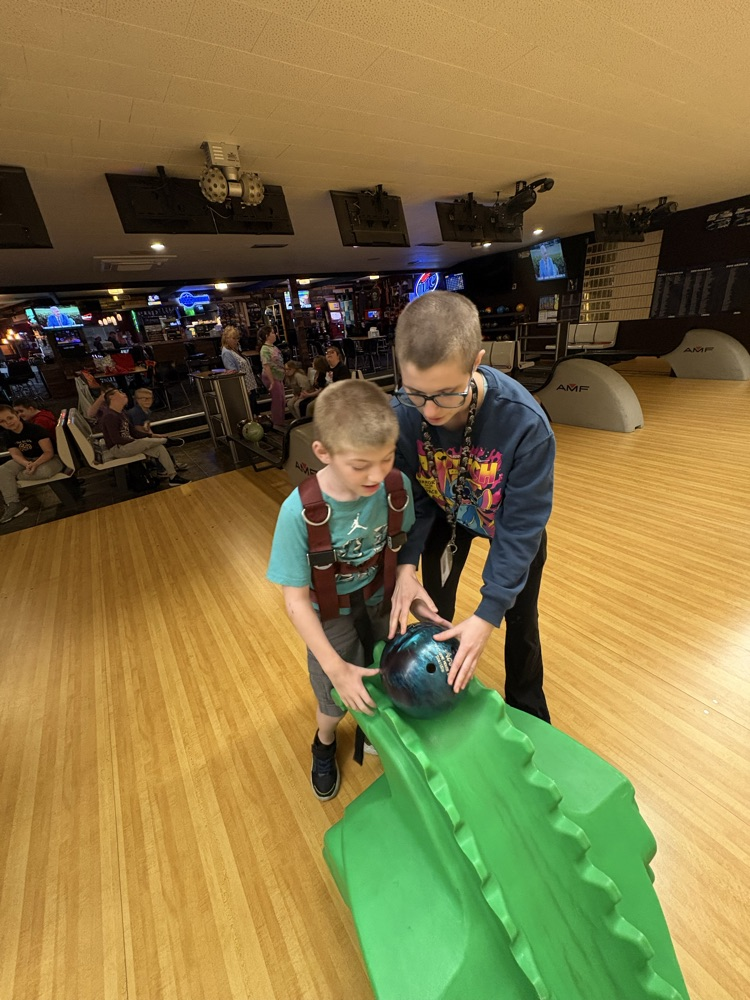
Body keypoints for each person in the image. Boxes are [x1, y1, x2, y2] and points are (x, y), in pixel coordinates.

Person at [388, 291, 555, 722]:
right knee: (434, 610)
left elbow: (522, 527)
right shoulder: (402, 415)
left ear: (476, 361)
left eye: (446, 394)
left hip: (509, 524)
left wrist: (488, 613)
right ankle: (434, 699)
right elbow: (416, 501)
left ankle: (530, 710)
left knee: (518, 618)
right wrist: (407, 567)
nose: (429, 410)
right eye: (415, 393)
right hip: (445, 518)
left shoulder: (526, 423)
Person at [267, 380, 415, 800]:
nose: (375, 474)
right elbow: (295, 602)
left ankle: (373, 731)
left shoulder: (395, 487)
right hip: (328, 614)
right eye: (360, 464)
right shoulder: (299, 513)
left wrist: (408, 575)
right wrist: (334, 666)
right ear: (323, 453)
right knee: (334, 700)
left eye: (386, 458)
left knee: (383, 673)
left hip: (378, 600)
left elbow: (402, 546)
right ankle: (325, 743)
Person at [99, 388, 189, 487]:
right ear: (111, 397)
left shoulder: (122, 413)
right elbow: (116, 439)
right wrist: (137, 441)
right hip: (118, 448)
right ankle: (166, 441)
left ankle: (173, 477)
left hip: (130, 445)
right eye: (120, 392)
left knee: (159, 448)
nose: (124, 393)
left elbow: (134, 432)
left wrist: (151, 435)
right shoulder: (109, 416)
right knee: (144, 442)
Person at [0, 404, 64, 522]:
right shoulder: (7, 435)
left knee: (44, 471)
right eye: (2, 421)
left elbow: (48, 452)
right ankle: (13, 503)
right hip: (28, 460)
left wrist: (34, 464)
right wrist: (26, 464)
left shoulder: (35, 429)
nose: (8, 423)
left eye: (10, 418)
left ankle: (12, 479)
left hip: (49, 459)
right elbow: (15, 454)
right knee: (3, 470)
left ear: (17, 416)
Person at [126, 388, 187, 467]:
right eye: (144, 398)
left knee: (159, 444)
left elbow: (147, 428)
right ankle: (166, 464)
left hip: (143, 436)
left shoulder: (146, 411)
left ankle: (169, 463)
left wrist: (154, 435)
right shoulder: (136, 412)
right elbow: (138, 431)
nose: (148, 401)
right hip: (136, 440)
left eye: (150, 398)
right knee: (159, 446)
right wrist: (153, 437)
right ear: (137, 400)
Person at [221, 325, 258, 412]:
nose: (236, 341)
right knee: (249, 410)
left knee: (254, 408)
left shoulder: (234, 349)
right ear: (227, 338)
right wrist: (244, 388)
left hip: (249, 384)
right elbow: (233, 373)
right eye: (234, 338)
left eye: (237, 338)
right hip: (244, 386)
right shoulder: (226, 352)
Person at [258, 325, 287, 428]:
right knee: (277, 400)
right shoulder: (265, 349)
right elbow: (266, 366)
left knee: (282, 399)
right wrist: (272, 381)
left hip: (278, 377)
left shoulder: (274, 347)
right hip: (272, 377)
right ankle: (277, 423)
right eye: (273, 333)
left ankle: (281, 421)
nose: (275, 335)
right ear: (267, 335)